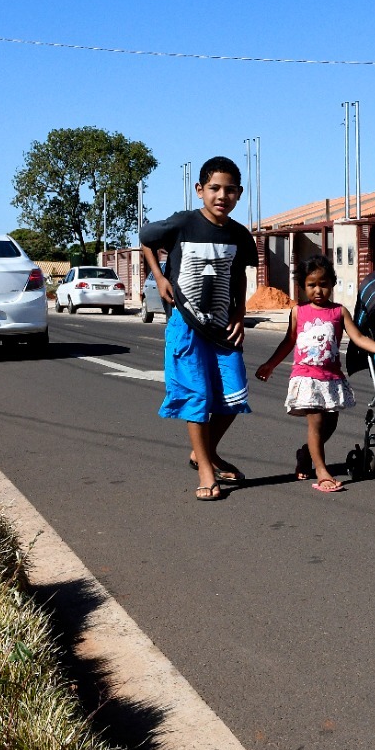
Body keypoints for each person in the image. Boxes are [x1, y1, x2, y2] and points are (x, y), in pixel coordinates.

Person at [140, 156, 258, 502]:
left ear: (239, 193)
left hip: (223, 326)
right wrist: (160, 277)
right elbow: (146, 240)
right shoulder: (183, 223)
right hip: (186, 325)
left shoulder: (239, 235)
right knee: (197, 397)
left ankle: (203, 452)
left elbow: (239, 275)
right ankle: (206, 470)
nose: (222, 196)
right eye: (214, 188)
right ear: (200, 190)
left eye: (230, 190)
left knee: (234, 395)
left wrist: (240, 312)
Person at [255, 254, 375, 493]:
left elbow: (358, 337)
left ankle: (305, 453)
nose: (318, 290)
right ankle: (322, 471)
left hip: (331, 378)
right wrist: (270, 364)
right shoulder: (298, 311)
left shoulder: (339, 312)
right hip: (306, 377)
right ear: (303, 286)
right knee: (316, 423)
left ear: (332, 284)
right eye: (312, 285)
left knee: (329, 425)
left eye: (323, 284)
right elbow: (288, 342)